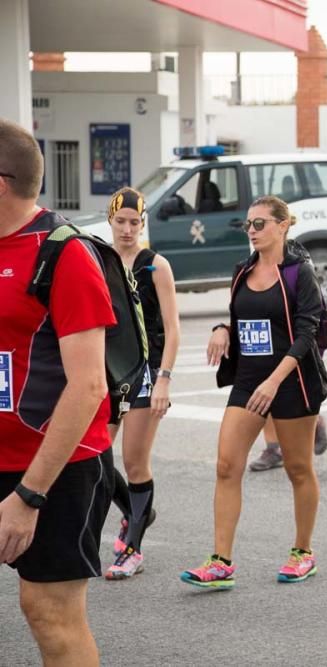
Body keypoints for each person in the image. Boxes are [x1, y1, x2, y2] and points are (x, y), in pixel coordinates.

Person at [0, 118, 117, 666]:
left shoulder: (64, 253)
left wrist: (29, 497)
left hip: (54, 469)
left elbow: (89, 384)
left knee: (49, 611)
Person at [182, 196, 327, 589]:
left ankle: (303, 552)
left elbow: (307, 333)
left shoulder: (299, 273)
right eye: (249, 223)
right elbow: (239, 317)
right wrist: (222, 329)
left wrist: (275, 380)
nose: (252, 230)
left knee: (299, 469)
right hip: (249, 381)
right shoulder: (242, 270)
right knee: (227, 466)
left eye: (261, 223)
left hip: (292, 381)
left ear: (283, 226)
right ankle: (220, 562)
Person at [102, 187, 180, 579]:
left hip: (146, 374)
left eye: (135, 222)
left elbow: (173, 329)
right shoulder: (99, 260)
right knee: (97, 456)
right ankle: (136, 513)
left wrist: (163, 380)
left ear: (143, 224)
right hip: (106, 373)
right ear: (110, 221)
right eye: (121, 222)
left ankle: (132, 550)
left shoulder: (155, 265)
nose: (128, 229)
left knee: (134, 462)